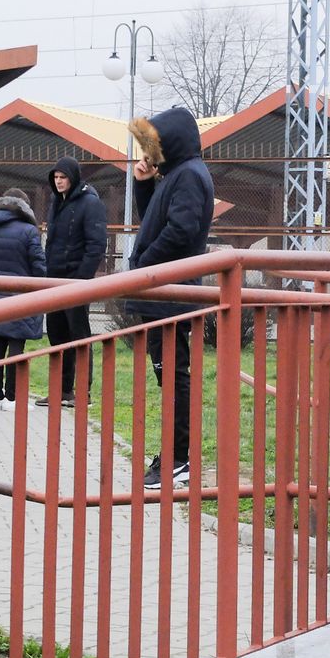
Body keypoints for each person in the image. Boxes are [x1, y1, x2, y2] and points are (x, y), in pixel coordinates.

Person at [126, 107, 214, 489]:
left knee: (174, 379)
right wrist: (144, 184)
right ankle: (175, 455)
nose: (150, 151)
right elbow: (155, 222)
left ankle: (180, 459)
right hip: (161, 292)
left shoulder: (190, 176)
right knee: (170, 378)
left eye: (154, 143)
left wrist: (144, 266)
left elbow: (181, 231)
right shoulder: (177, 175)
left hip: (169, 294)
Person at [39, 156, 107, 408]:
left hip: (76, 281)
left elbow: (97, 245)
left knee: (79, 335)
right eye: (55, 178)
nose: (58, 182)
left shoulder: (91, 204)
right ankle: (62, 390)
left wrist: (81, 279)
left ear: (73, 178)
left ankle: (83, 391)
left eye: (62, 177)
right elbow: (52, 243)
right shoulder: (56, 203)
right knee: (56, 335)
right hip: (54, 280)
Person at [0, 188, 46, 408]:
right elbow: (38, 264)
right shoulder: (29, 231)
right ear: (24, 208)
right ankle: (13, 397)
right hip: (22, 291)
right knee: (17, 345)